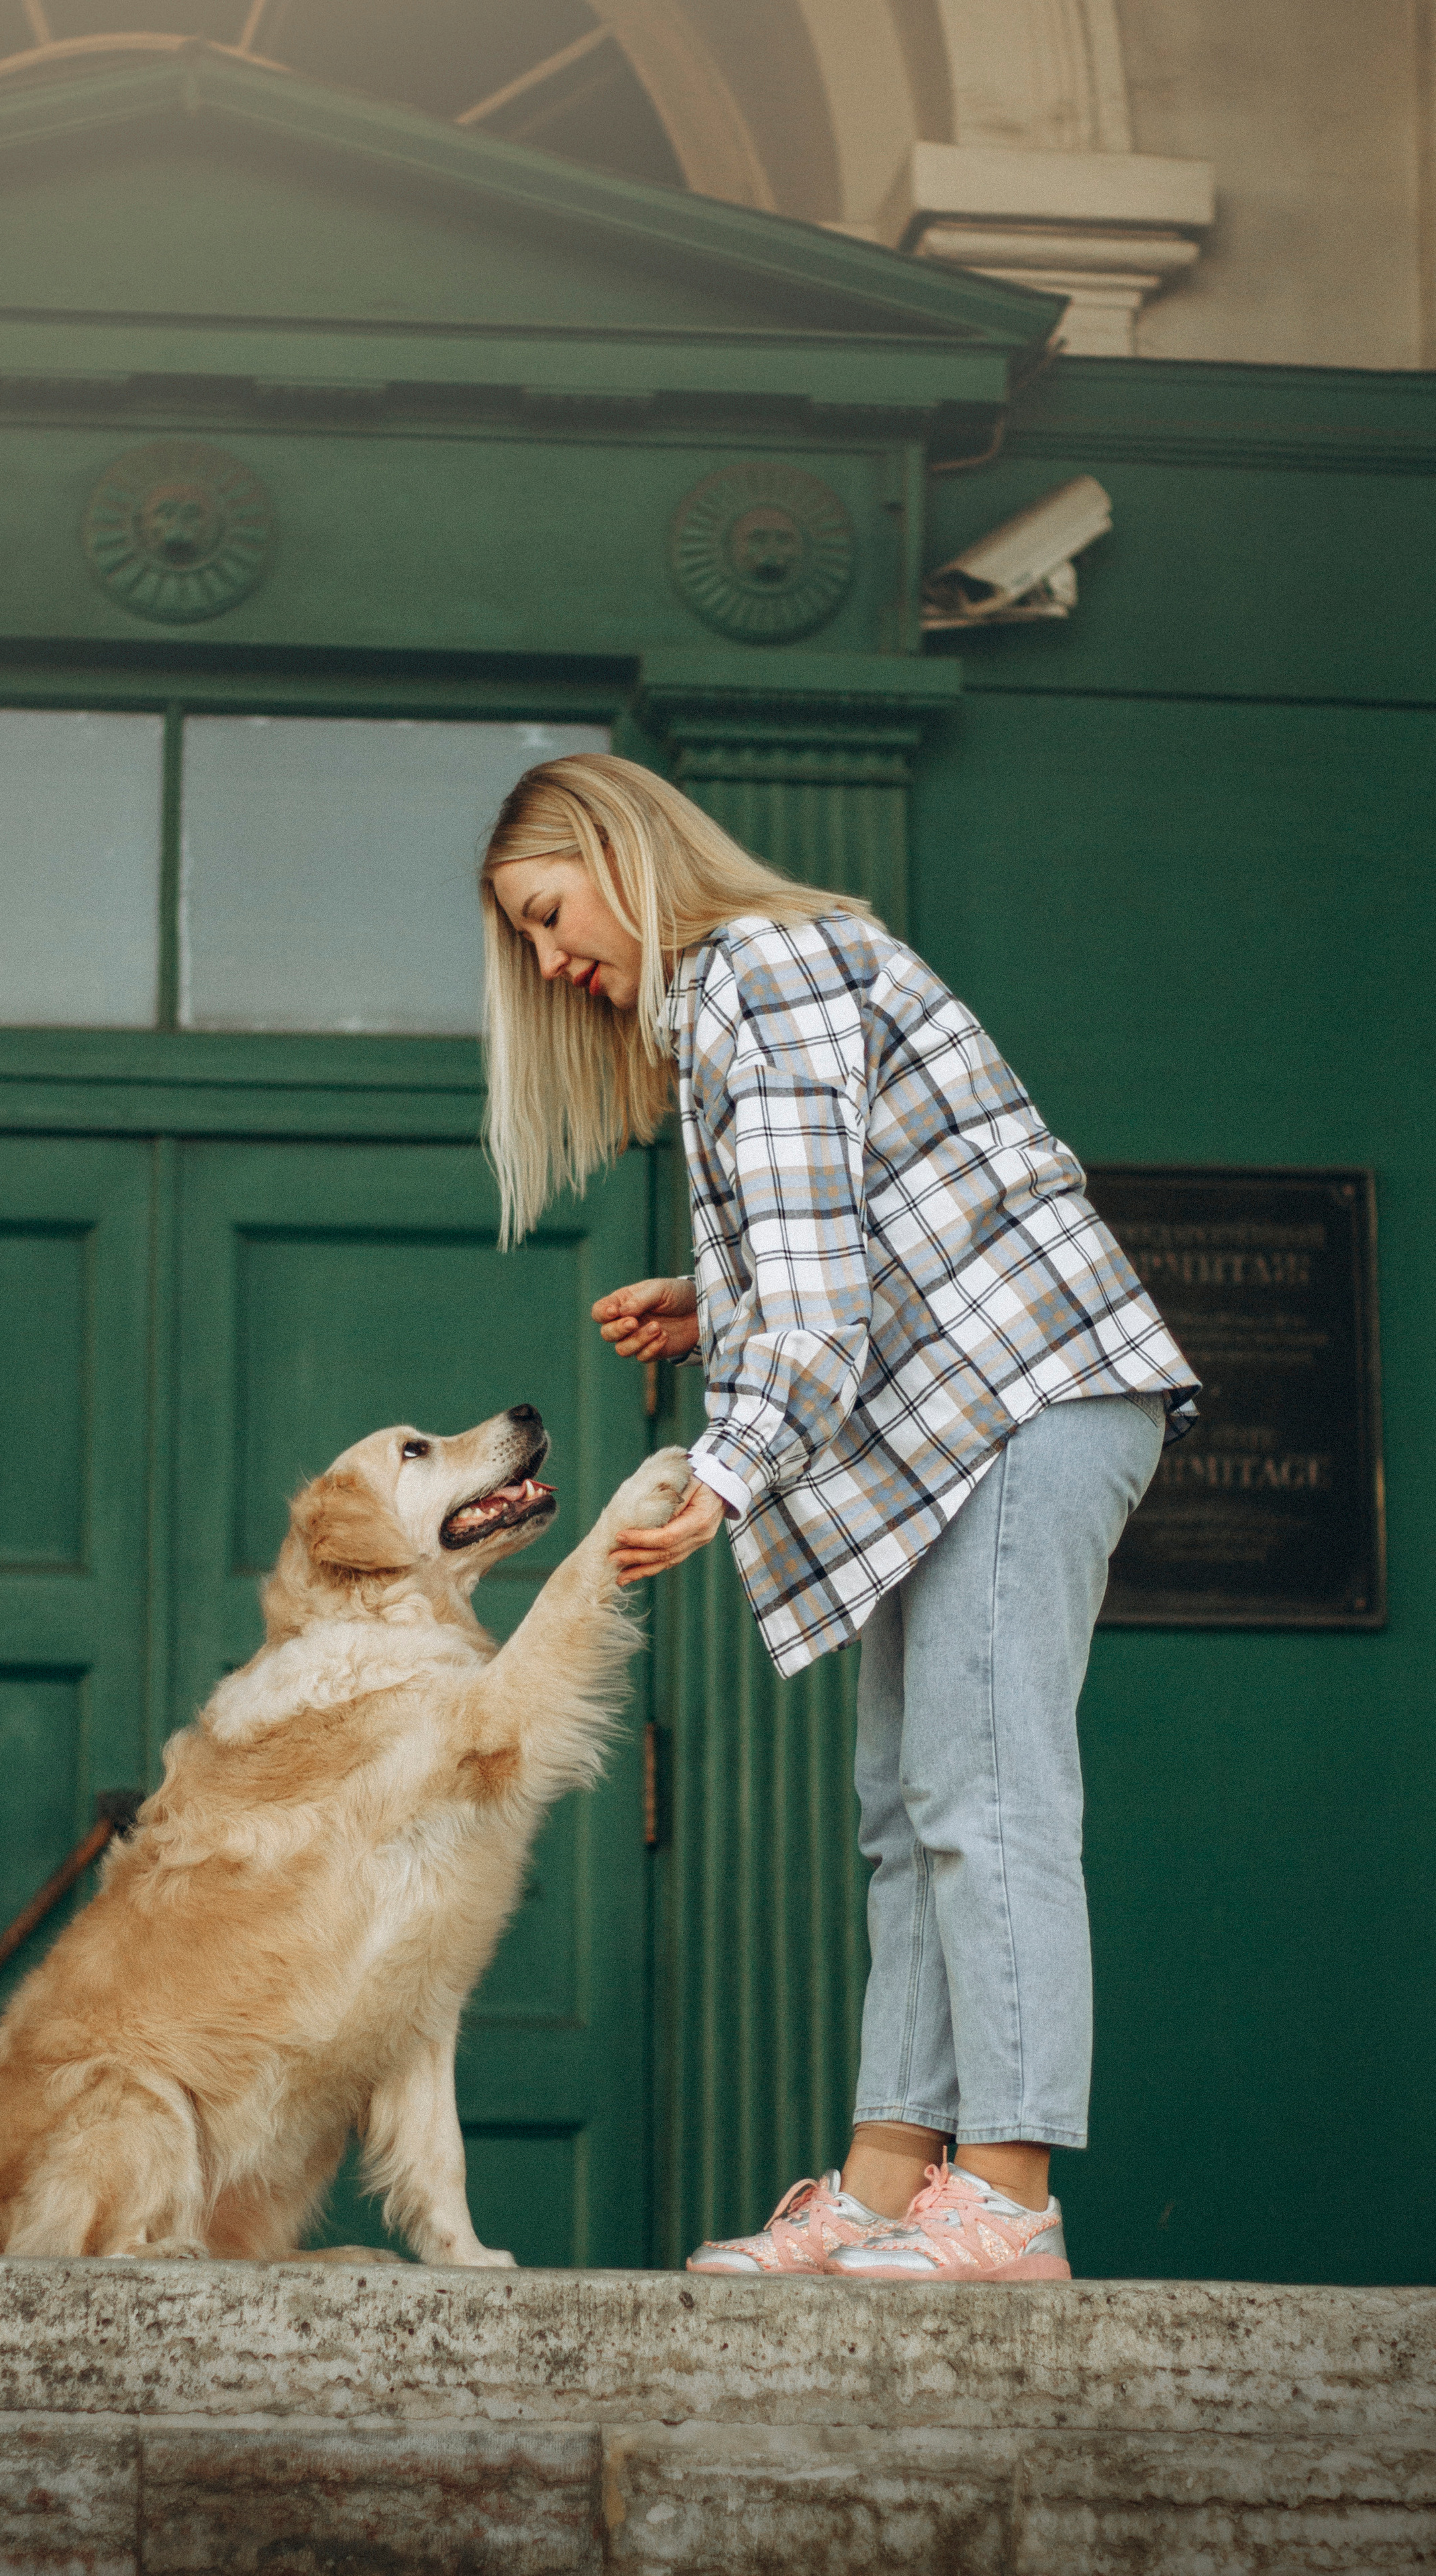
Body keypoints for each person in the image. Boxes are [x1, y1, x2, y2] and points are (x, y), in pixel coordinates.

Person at [480, 752, 1196, 2285]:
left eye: (547, 915)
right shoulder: (754, 987)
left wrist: (728, 1468)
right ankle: (886, 2187)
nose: (551, 964)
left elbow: (816, 1293)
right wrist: (712, 1302)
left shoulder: (763, 967)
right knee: (907, 1804)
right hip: (956, 1418)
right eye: (529, 944)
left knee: (983, 1794)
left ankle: (1002, 2200)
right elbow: (851, 1238)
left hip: (1018, 1404)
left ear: (621, 854)